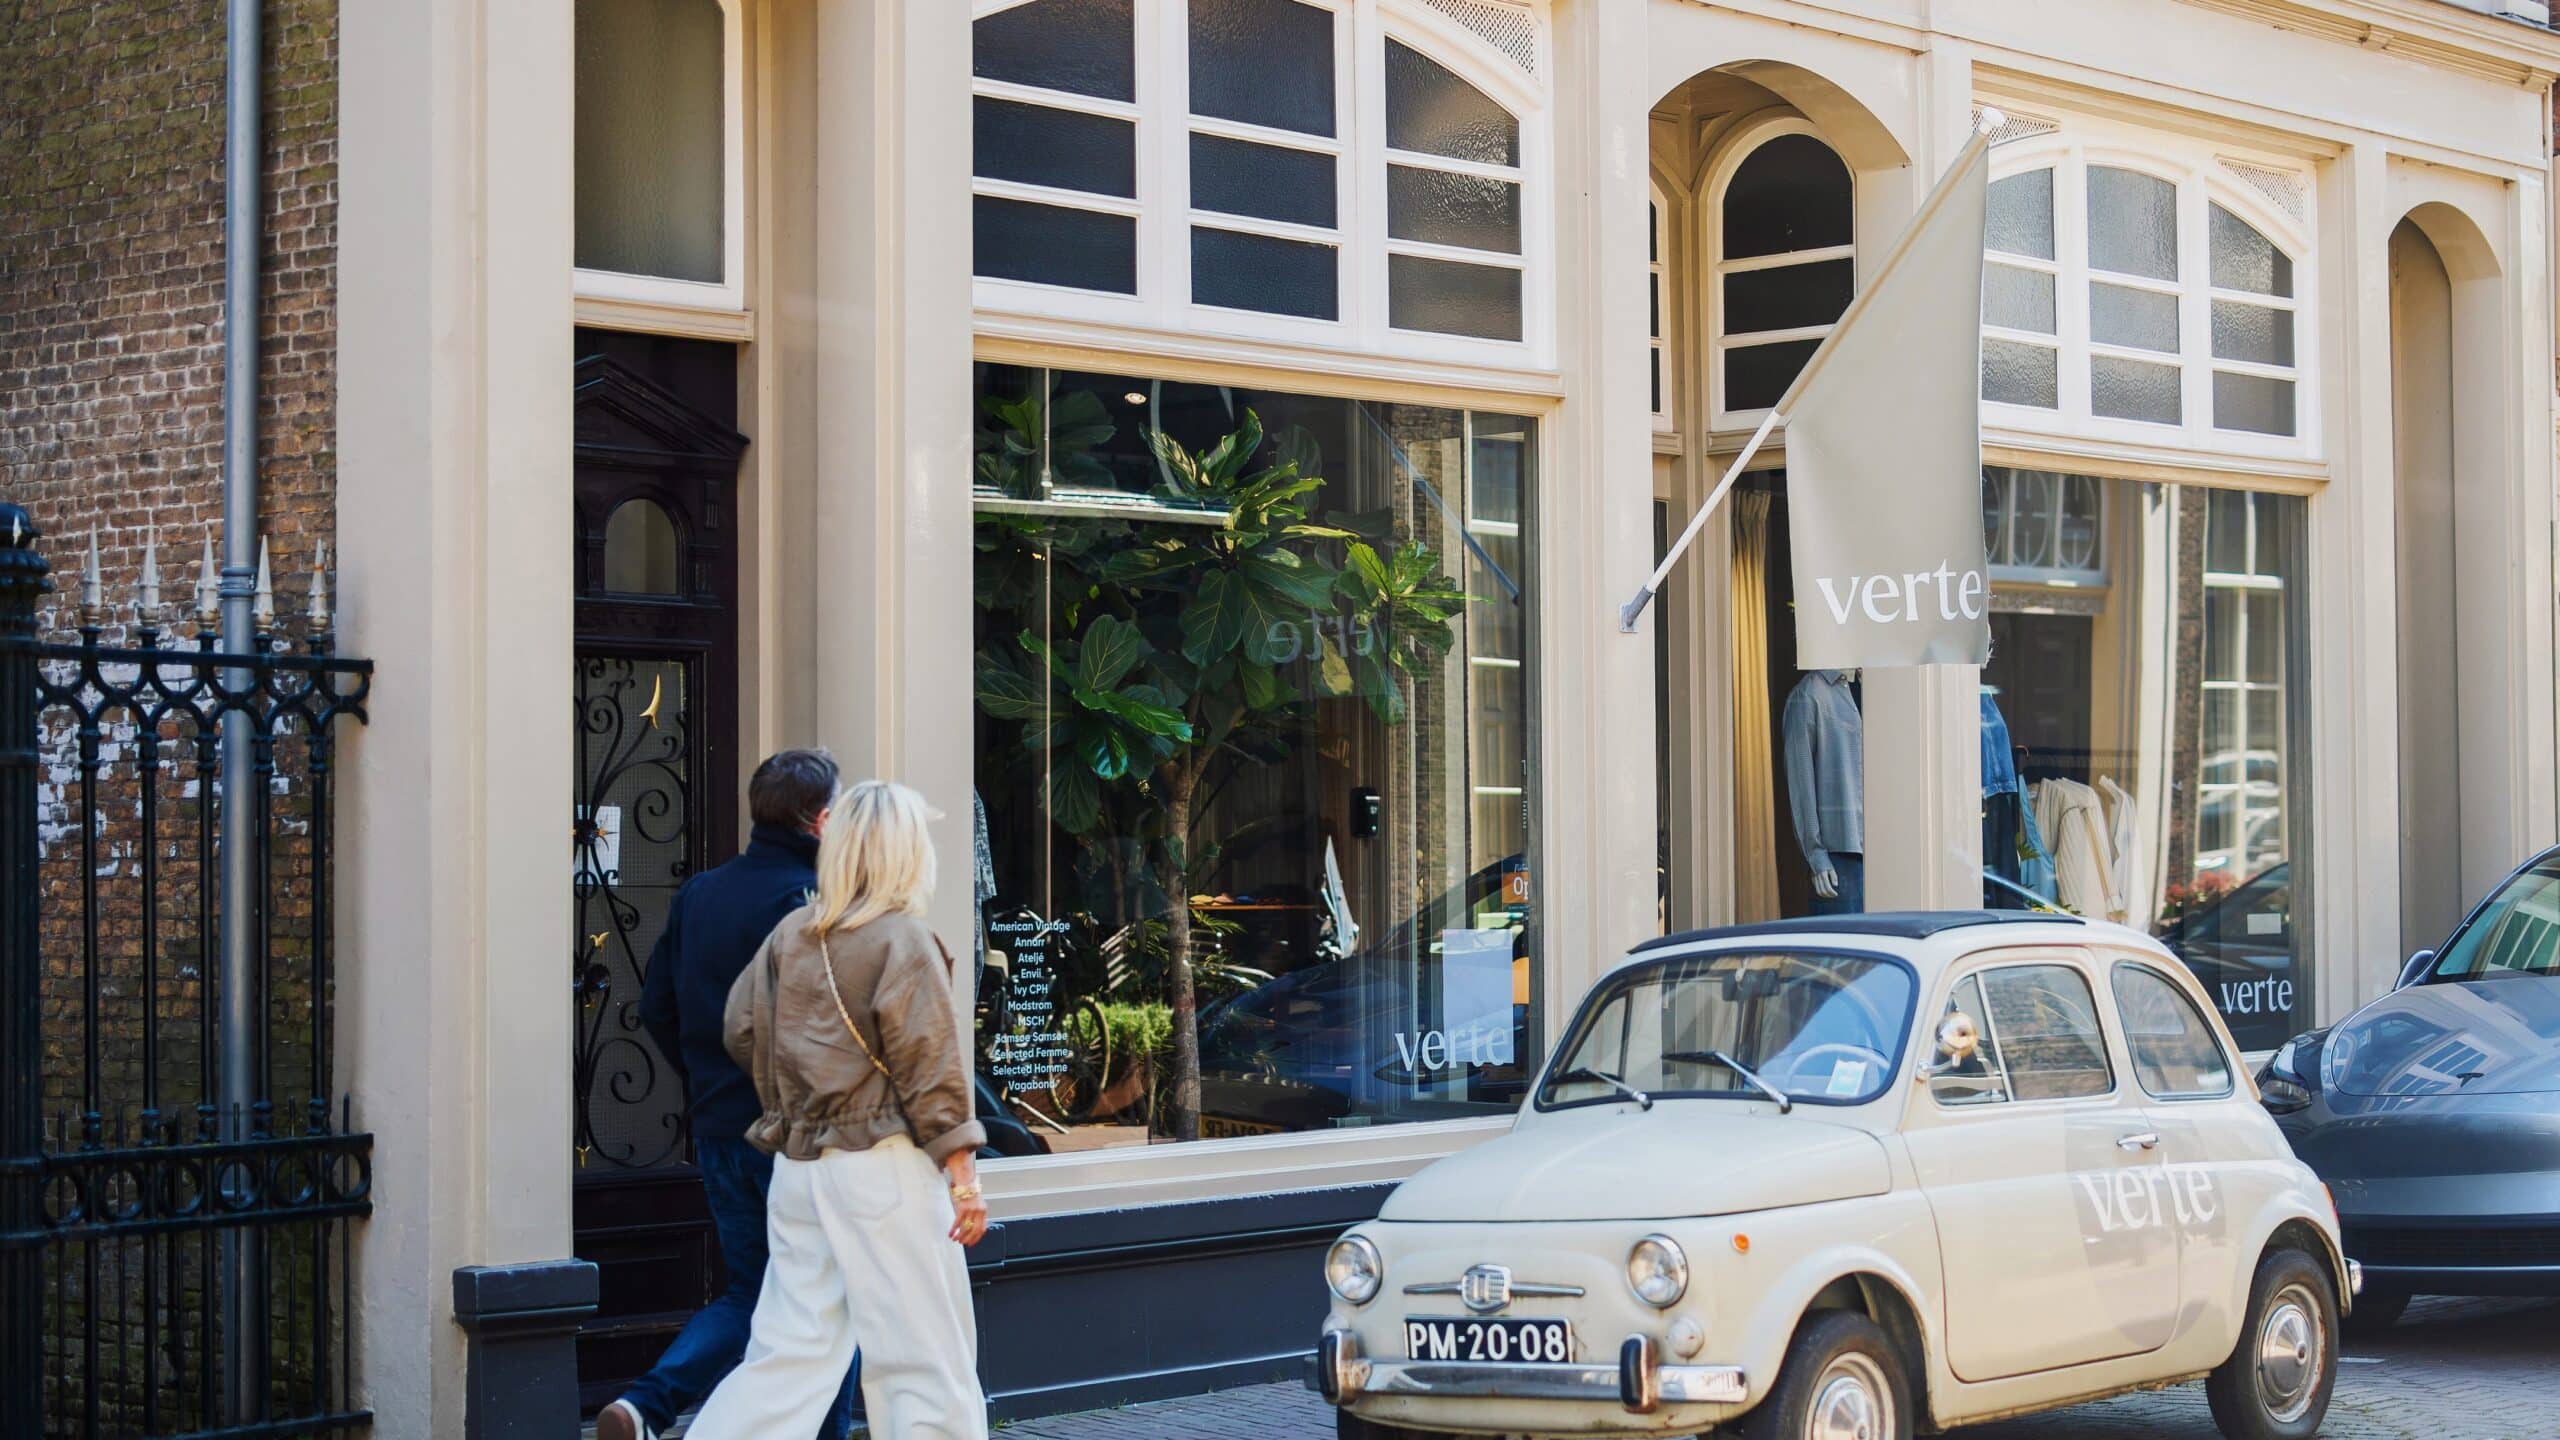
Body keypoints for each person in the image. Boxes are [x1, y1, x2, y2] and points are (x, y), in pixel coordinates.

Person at [686, 779, 992, 1440]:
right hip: (885, 1169)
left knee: (789, 1355)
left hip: (802, 1170)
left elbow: (740, 1027)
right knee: (924, 1358)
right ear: (906, 852)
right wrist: (965, 1182)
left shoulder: (793, 933)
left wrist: (800, 1094)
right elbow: (931, 1070)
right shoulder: (903, 941)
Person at [601, 749, 860, 1440]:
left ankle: (648, 1403)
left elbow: (656, 1005)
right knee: (828, 1302)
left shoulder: (700, 893)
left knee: (755, 1292)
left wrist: (707, 1079)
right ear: (822, 819)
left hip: (719, 1128)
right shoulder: (815, 905)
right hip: (799, 1138)